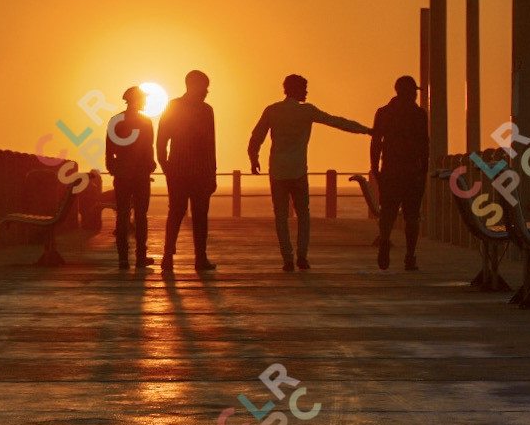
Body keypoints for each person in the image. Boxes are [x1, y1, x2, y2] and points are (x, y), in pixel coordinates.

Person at [248, 74, 372, 271]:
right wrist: (365, 130)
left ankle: (287, 259)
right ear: (295, 89)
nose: (306, 92)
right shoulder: (307, 111)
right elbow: (336, 121)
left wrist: (253, 159)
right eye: (304, 88)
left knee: (281, 217)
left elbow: (256, 137)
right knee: (303, 215)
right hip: (298, 171)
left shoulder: (272, 110)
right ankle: (302, 256)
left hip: (278, 171)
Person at [156, 70, 218, 273]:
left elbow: (210, 144)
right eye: (204, 86)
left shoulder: (203, 109)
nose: (207, 91)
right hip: (185, 171)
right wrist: (165, 165)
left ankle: (194, 257)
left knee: (185, 214)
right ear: (193, 85)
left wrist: (166, 165)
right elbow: (163, 138)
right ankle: (171, 257)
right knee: (181, 213)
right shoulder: (184, 108)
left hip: (187, 171)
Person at [369, 75, 430, 270]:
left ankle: (385, 239)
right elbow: (424, 145)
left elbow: (376, 141)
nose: (415, 96)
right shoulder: (419, 115)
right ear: (408, 92)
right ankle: (410, 256)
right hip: (412, 170)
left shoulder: (384, 112)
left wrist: (375, 168)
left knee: (388, 211)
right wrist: (424, 170)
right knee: (412, 216)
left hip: (391, 169)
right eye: (413, 92)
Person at [106, 86, 156, 270]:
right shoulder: (145, 121)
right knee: (141, 215)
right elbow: (148, 148)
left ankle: (123, 259)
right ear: (137, 100)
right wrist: (150, 165)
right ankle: (141, 257)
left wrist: (113, 168)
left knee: (123, 214)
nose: (145, 101)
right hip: (140, 174)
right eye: (143, 98)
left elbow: (109, 150)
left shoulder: (115, 121)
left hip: (122, 174)